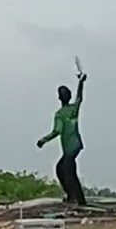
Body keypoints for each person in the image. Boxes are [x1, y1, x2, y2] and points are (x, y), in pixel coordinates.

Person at [37, 72, 88, 206]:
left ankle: (75, 198)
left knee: (67, 171)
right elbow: (79, 98)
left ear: (59, 98)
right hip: (76, 145)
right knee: (64, 169)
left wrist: (43, 140)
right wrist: (81, 82)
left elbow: (57, 131)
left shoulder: (60, 114)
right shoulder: (73, 109)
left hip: (70, 147)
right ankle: (75, 197)